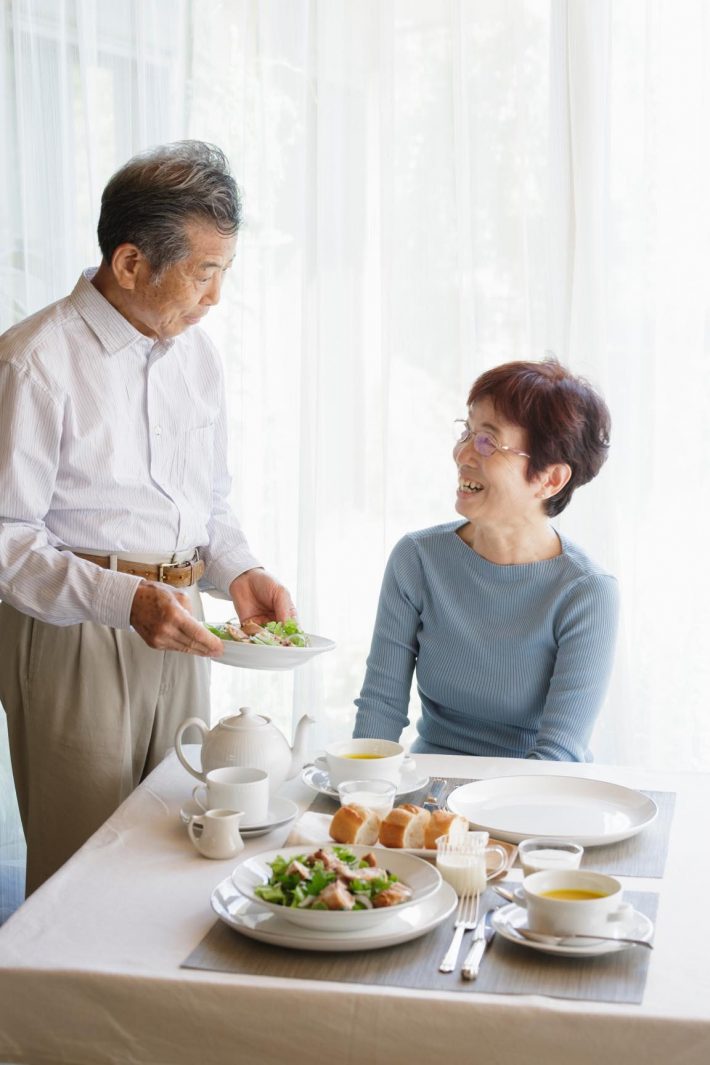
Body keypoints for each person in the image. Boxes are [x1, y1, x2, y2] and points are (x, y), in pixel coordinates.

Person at [0, 141, 295, 893]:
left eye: (223, 272)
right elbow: (7, 540)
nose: (215, 297)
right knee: (82, 873)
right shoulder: (32, 362)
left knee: (181, 842)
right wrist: (123, 600)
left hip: (183, 621)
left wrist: (243, 571)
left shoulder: (198, 359)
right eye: (204, 271)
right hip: (75, 636)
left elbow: (209, 502)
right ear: (130, 263)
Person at [353, 358, 618, 761]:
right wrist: (363, 796)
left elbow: (558, 754)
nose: (462, 454)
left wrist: (481, 820)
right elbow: (380, 708)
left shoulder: (586, 592)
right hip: (430, 788)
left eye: (488, 441)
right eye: (467, 431)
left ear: (550, 479)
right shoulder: (418, 559)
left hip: (533, 799)